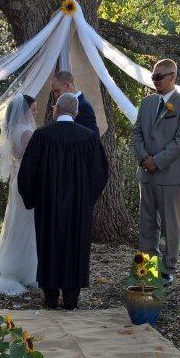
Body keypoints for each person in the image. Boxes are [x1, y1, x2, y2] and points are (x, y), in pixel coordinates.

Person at [18, 93, 110, 310]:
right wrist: (86, 200)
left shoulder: (41, 136)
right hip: (78, 209)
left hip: (48, 206)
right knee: (75, 247)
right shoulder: (89, 138)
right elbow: (100, 174)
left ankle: (50, 298)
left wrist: (33, 198)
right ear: (76, 113)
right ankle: (71, 300)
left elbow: (27, 174)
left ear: (56, 109)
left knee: (48, 245)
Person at [130, 58, 180, 283]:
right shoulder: (147, 103)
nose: (155, 81)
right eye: (153, 77)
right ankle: (147, 268)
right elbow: (137, 133)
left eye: (159, 77)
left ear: (173, 76)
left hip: (170, 175)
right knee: (147, 224)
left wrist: (157, 161)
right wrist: (143, 158)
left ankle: (169, 268)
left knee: (171, 224)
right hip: (147, 174)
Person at [0, 94, 39, 296]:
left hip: (16, 178)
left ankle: (13, 262)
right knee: (27, 222)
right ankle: (26, 269)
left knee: (17, 220)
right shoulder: (26, 132)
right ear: (24, 110)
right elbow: (33, 161)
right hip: (27, 181)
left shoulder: (12, 131)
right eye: (33, 109)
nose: (35, 112)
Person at [46, 69, 98, 135]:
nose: (55, 95)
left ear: (67, 86)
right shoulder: (67, 103)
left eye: (57, 91)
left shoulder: (84, 106)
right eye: (54, 92)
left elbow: (93, 137)